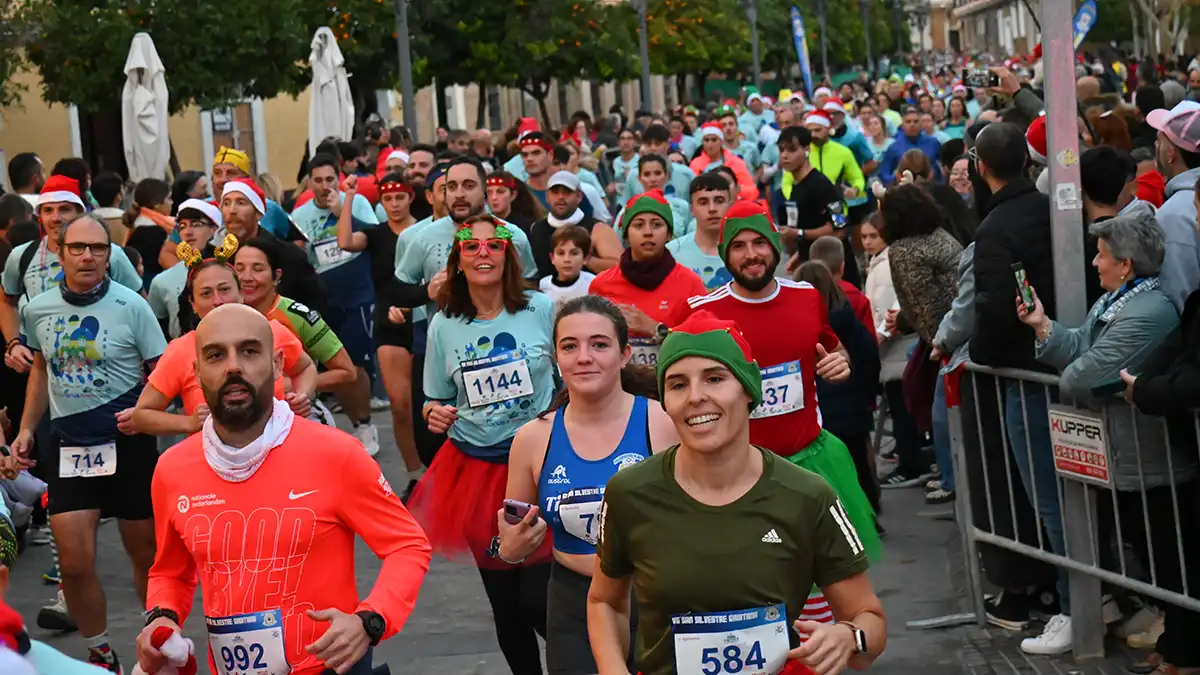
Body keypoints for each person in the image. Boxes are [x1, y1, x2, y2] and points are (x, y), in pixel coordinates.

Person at [137, 303, 432, 675]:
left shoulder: (335, 453)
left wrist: (370, 621)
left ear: (277, 364)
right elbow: (170, 572)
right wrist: (161, 619)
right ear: (196, 372)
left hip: (332, 668)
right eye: (215, 355)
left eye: (249, 351)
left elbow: (407, 545)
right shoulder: (172, 469)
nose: (233, 367)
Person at [587, 311, 887, 675]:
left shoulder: (808, 495)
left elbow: (869, 621)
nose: (696, 397)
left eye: (715, 378)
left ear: (747, 389)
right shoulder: (629, 493)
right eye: (678, 384)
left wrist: (848, 637)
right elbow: (605, 601)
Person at [686, 201, 882, 619]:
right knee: (756, 586)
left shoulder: (807, 297)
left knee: (826, 584)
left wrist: (838, 363)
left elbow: (830, 350)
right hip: (740, 474)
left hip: (810, 462)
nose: (750, 254)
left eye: (759, 242)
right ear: (725, 255)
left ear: (775, 246)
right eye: (738, 246)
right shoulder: (704, 312)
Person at [1019, 210, 1197, 656]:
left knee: (1170, 559)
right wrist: (1043, 324)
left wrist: (1076, 364)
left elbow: (1080, 376)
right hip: (1125, 456)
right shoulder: (1118, 299)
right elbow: (1080, 345)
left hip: (1152, 460)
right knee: (1150, 551)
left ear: (1126, 263)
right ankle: (1175, 643)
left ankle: (1182, 648)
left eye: (1101, 255)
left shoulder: (1149, 310)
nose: (1094, 264)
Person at [8, 214, 167, 673]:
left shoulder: (130, 306)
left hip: (129, 444)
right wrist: (24, 428)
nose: (88, 256)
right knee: (74, 565)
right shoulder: (37, 308)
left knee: (147, 554)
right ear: (60, 252)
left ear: (109, 255)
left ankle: (155, 636)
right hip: (70, 447)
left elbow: (162, 371)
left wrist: (148, 416)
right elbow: (42, 368)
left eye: (98, 248)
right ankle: (100, 651)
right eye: (78, 247)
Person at [407, 214, 557, 675]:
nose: (483, 253)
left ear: (510, 255)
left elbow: (571, 369)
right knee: (506, 603)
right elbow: (435, 397)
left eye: (494, 245)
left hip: (542, 465)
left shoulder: (541, 309)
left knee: (540, 599)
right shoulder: (443, 325)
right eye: (471, 247)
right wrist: (434, 412)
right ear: (457, 260)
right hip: (476, 471)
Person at [498, 295, 678, 675]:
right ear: (556, 358)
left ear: (625, 354)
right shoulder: (532, 438)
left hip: (657, 600)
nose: (584, 357)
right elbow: (513, 537)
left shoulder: (663, 422)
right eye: (570, 346)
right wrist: (510, 550)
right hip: (573, 604)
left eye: (599, 344)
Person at [968, 121, 1070, 647]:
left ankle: (1077, 607)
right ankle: (1089, 599)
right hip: (1057, 361)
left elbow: (993, 309)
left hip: (1029, 375)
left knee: (1051, 498)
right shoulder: (1049, 209)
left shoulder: (995, 229)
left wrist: (980, 356)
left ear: (980, 167)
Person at [129, 236, 318, 436]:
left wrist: (301, 396)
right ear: (193, 304)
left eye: (225, 290)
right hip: (211, 461)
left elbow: (305, 368)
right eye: (206, 293)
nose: (218, 301)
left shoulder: (271, 332)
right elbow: (142, 415)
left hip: (279, 450)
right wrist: (189, 423)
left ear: (241, 294)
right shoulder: (182, 349)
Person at [3, 177, 142, 376]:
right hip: (38, 365)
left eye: (64, 209)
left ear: (80, 212)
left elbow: (140, 305)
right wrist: (14, 343)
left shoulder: (111, 253)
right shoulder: (21, 256)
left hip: (103, 366)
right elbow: (6, 301)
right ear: (39, 215)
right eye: (48, 210)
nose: (55, 218)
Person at [291, 153, 382, 455]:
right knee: (336, 364)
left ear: (339, 179)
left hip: (357, 293)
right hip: (324, 298)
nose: (324, 186)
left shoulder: (357, 203)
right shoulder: (301, 215)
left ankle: (365, 422)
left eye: (330, 179)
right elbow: (302, 259)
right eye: (318, 180)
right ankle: (355, 421)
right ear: (309, 183)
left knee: (356, 365)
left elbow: (374, 238)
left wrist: (342, 210)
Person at [880, 183, 964, 505]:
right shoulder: (939, 235)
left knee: (942, 414)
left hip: (946, 339)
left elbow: (923, 304)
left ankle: (950, 479)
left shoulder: (904, 249)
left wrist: (933, 343)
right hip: (959, 327)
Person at [793, 261, 882, 518]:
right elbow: (869, 358)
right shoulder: (850, 321)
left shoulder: (805, 328)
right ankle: (870, 513)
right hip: (853, 408)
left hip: (823, 412)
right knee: (859, 466)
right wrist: (867, 396)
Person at [232, 237, 357, 416]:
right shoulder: (226, 314)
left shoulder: (297, 316)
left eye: (258, 269)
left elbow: (346, 372)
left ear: (277, 276)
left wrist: (297, 385)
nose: (246, 277)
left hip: (298, 415)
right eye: (239, 268)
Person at [589, 190, 706, 368]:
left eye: (657, 224)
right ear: (626, 234)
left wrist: (656, 330)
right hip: (618, 389)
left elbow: (702, 346)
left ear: (669, 234)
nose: (648, 232)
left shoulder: (691, 284)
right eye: (638, 225)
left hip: (670, 387)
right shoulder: (602, 284)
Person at [1146, 102, 1200, 311]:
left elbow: (1177, 297)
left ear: (1171, 153)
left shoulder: (1174, 215)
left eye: (1160, 140)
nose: (1156, 147)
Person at [146, 199, 221, 340]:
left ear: (214, 229)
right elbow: (157, 332)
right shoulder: (162, 281)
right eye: (182, 227)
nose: (188, 232)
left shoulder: (230, 271)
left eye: (196, 225)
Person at [528, 171, 620, 278]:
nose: (560, 197)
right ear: (547, 196)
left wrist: (584, 259)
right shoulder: (536, 228)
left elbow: (619, 266)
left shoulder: (598, 229)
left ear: (579, 197)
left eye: (567, 192)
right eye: (555, 192)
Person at [668, 173, 737, 290]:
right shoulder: (672, 253)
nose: (712, 209)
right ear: (692, 210)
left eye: (719, 201)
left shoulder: (746, 250)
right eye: (703, 202)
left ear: (730, 205)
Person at [208, 146, 294, 239]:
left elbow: (298, 241)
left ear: (246, 179)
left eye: (231, 173)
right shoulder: (207, 210)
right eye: (217, 173)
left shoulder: (266, 208)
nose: (223, 179)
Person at [689, 123, 758, 201]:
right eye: (706, 140)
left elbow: (751, 190)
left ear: (721, 142)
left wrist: (732, 190)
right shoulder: (695, 164)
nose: (710, 144)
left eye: (714, 140)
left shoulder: (736, 162)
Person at [878, 107, 943, 183]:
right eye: (908, 122)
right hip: (904, 190)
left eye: (916, 121)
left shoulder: (934, 143)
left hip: (931, 188)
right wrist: (897, 180)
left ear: (921, 124)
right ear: (902, 125)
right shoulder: (894, 147)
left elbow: (943, 168)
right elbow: (884, 173)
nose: (912, 124)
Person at [538, 225, 596, 307]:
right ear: (552, 258)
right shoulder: (543, 286)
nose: (567, 259)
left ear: (585, 258)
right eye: (561, 253)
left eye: (574, 253)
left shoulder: (593, 283)